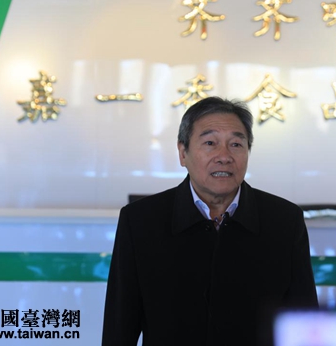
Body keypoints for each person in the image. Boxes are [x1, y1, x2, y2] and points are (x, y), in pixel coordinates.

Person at [102, 97, 318, 346]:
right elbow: (120, 326)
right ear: (183, 153)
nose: (224, 156)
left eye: (236, 144)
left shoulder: (284, 220)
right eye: (210, 143)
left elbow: (304, 324)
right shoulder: (140, 221)